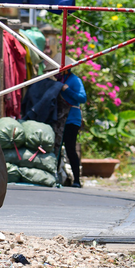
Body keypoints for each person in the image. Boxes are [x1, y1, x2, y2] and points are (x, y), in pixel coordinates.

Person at [58, 58, 87, 188]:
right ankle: (57, 178)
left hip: (72, 120)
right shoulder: (60, 80)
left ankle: (77, 180)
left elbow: (82, 98)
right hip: (60, 119)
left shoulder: (74, 80)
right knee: (57, 148)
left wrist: (66, 89)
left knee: (70, 149)